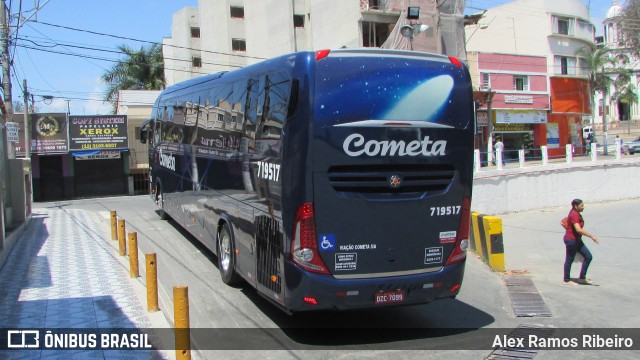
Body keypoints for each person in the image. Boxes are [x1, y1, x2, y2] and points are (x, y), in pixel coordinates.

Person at [563, 199, 599, 285]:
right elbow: (578, 229)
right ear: (576, 206)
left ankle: (582, 277)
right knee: (569, 259)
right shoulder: (574, 214)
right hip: (571, 240)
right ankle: (567, 280)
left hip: (577, 240)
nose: (583, 207)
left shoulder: (575, 213)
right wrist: (591, 236)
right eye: (581, 205)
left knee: (588, 256)